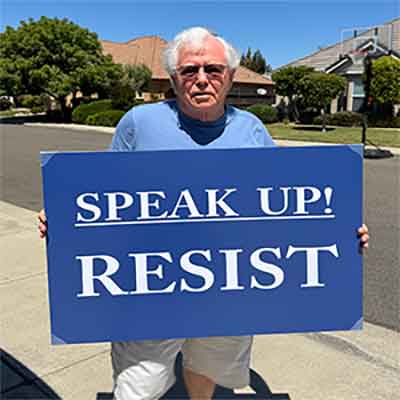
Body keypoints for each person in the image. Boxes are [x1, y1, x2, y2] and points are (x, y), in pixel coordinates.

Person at [38, 27, 370, 400]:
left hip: (228, 287)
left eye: (212, 69)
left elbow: (287, 210)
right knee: (138, 384)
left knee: (206, 369)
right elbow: (102, 198)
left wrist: (339, 230)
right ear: (174, 77)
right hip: (147, 287)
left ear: (230, 75)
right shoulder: (138, 123)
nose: (201, 79)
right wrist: (66, 222)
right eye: (188, 70)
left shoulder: (252, 131)